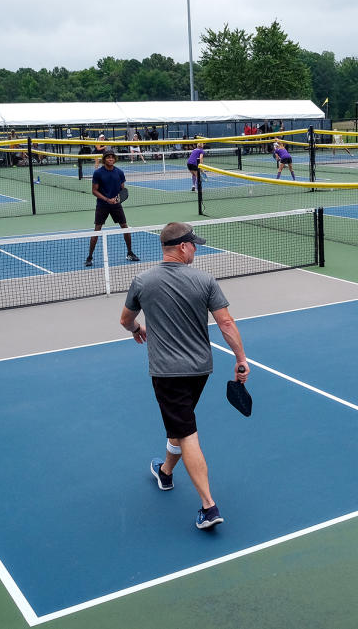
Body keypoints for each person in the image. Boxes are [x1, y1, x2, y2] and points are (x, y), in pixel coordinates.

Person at [119, 221, 250, 531]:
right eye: (194, 245)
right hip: (201, 370)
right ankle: (165, 472)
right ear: (181, 247)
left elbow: (125, 319)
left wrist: (137, 329)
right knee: (180, 422)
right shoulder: (205, 281)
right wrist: (241, 359)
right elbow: (227, 323)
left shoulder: (142, 281)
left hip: (167, 373)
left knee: (186, 430)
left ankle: (208, 506)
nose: (196, 249)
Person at [85, 152, 140, 266]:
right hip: (102, 205)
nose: (110, 159)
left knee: (125, 227)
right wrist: (106, 199)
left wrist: (117, 199)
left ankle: (130, 253)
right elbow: (94, 190)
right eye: (108, 157)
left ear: (114, 159)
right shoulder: (98, 173)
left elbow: (123, 190)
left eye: (112, 157)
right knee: (97, 229)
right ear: (104, 159)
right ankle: (89, 257)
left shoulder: (119, 172)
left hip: (116, 205)